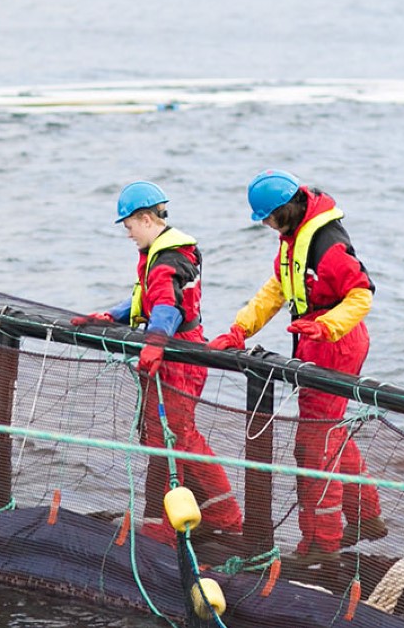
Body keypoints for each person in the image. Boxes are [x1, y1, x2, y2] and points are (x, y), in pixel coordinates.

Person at [207, 170, 382, 558]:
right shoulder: (292, 241)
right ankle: (365, 516)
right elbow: (275, 291)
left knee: (312, 443)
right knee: (328, 429)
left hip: (335, 342)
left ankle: (322, 544)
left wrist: (326, 326)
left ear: (286, 210)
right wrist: (240, 329)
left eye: (269, 218)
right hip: (313, 340)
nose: (268, 226)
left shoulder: (326, 244)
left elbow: (361, 295)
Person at [71, 181, 241, 539]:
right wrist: (112, 315)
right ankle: (206, 512)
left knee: (175, 438)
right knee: (168, 436)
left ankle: (215, 517)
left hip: (178, 356)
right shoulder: (165, 254)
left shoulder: (167, 260)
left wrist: (155, 344)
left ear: (146, 219)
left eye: (129, 226)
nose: (129, 234)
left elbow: (167, 307)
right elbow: (147, 300)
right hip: (177, 350)